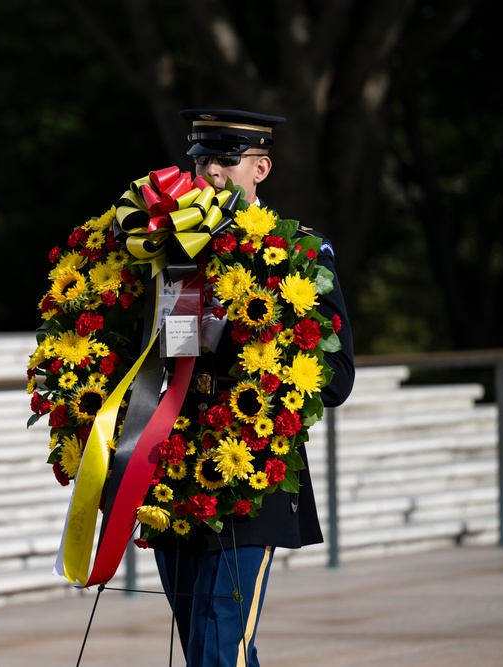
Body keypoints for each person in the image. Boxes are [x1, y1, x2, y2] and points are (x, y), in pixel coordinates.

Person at [149, 109, 356, 666]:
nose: (209, 170)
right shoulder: (177, 251)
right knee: (206, 645)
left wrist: (260, 352)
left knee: (219, 645)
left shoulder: (301, 254)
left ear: (260, 168)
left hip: (250, 471)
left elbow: (336, 379)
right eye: (200, 159)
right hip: (180, 468)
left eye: (224, 159)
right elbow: (173, 353)